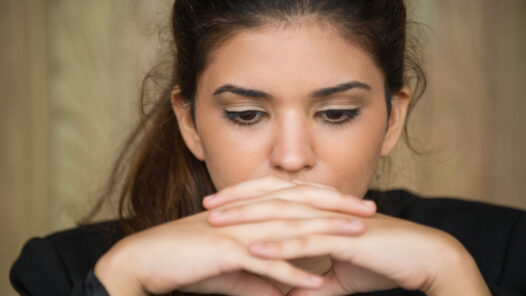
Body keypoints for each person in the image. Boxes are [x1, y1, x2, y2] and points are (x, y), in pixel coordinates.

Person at [10, 1, 526, 295]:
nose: (293, 156)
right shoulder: (67, 272)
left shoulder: (503, 254)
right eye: (246, 115)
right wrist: (121, 281)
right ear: (190, 122)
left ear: (393, 119)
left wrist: (452, 277)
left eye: (337, 114)